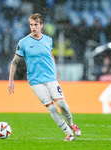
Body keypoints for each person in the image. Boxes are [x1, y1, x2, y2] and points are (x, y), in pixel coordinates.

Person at [8, 13, 81, 141]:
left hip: (51, 78)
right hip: (35, 81)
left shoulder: (48, 40)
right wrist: (11, 81)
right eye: (31, 25)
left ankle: (72, 123)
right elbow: (14, 62)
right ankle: (68, 133)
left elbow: (51, 57)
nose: (33, 27)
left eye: (36, 25)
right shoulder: (23, 42)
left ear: (42, 25)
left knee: (62, 104)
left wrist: (56, 74)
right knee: (51, 108)